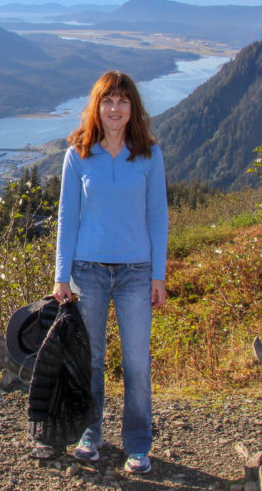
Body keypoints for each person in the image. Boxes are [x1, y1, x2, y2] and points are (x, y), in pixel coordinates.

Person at [50, 70, 168, 474]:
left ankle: (138, 444)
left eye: (122, 100)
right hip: (89, 271)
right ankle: (90, 435)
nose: (115, 108)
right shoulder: (78, 154)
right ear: (96, 106)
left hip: (137, 272)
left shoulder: (149, 155)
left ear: (132, 107)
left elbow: (158, 217)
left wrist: (159, 275)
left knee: (137, 362)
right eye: (107, 100)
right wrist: (60, 275)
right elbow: (68, 216)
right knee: (91, 359)